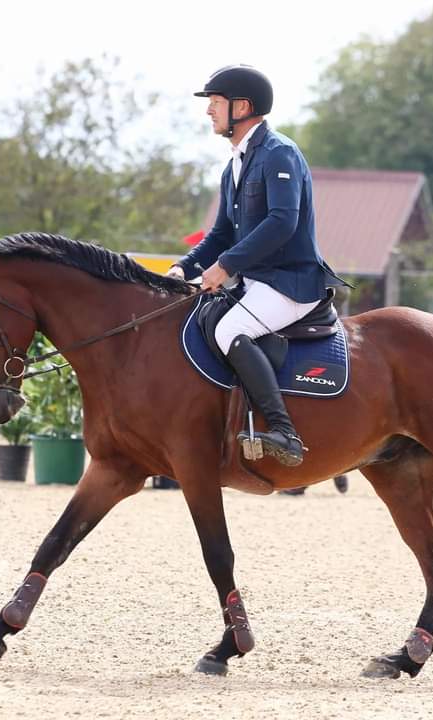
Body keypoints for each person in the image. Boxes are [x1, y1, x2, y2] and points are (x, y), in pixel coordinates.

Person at [168, 65, 346, 467]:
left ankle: (285, 431)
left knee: (231, 327)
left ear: (242, 106)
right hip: (256, 283)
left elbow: (282, 221)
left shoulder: (278, 153)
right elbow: (218, 234)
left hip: (291, 283)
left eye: (215, 103)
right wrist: (184, 267)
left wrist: (224, 266)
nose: (208, 111)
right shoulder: (234, 165)